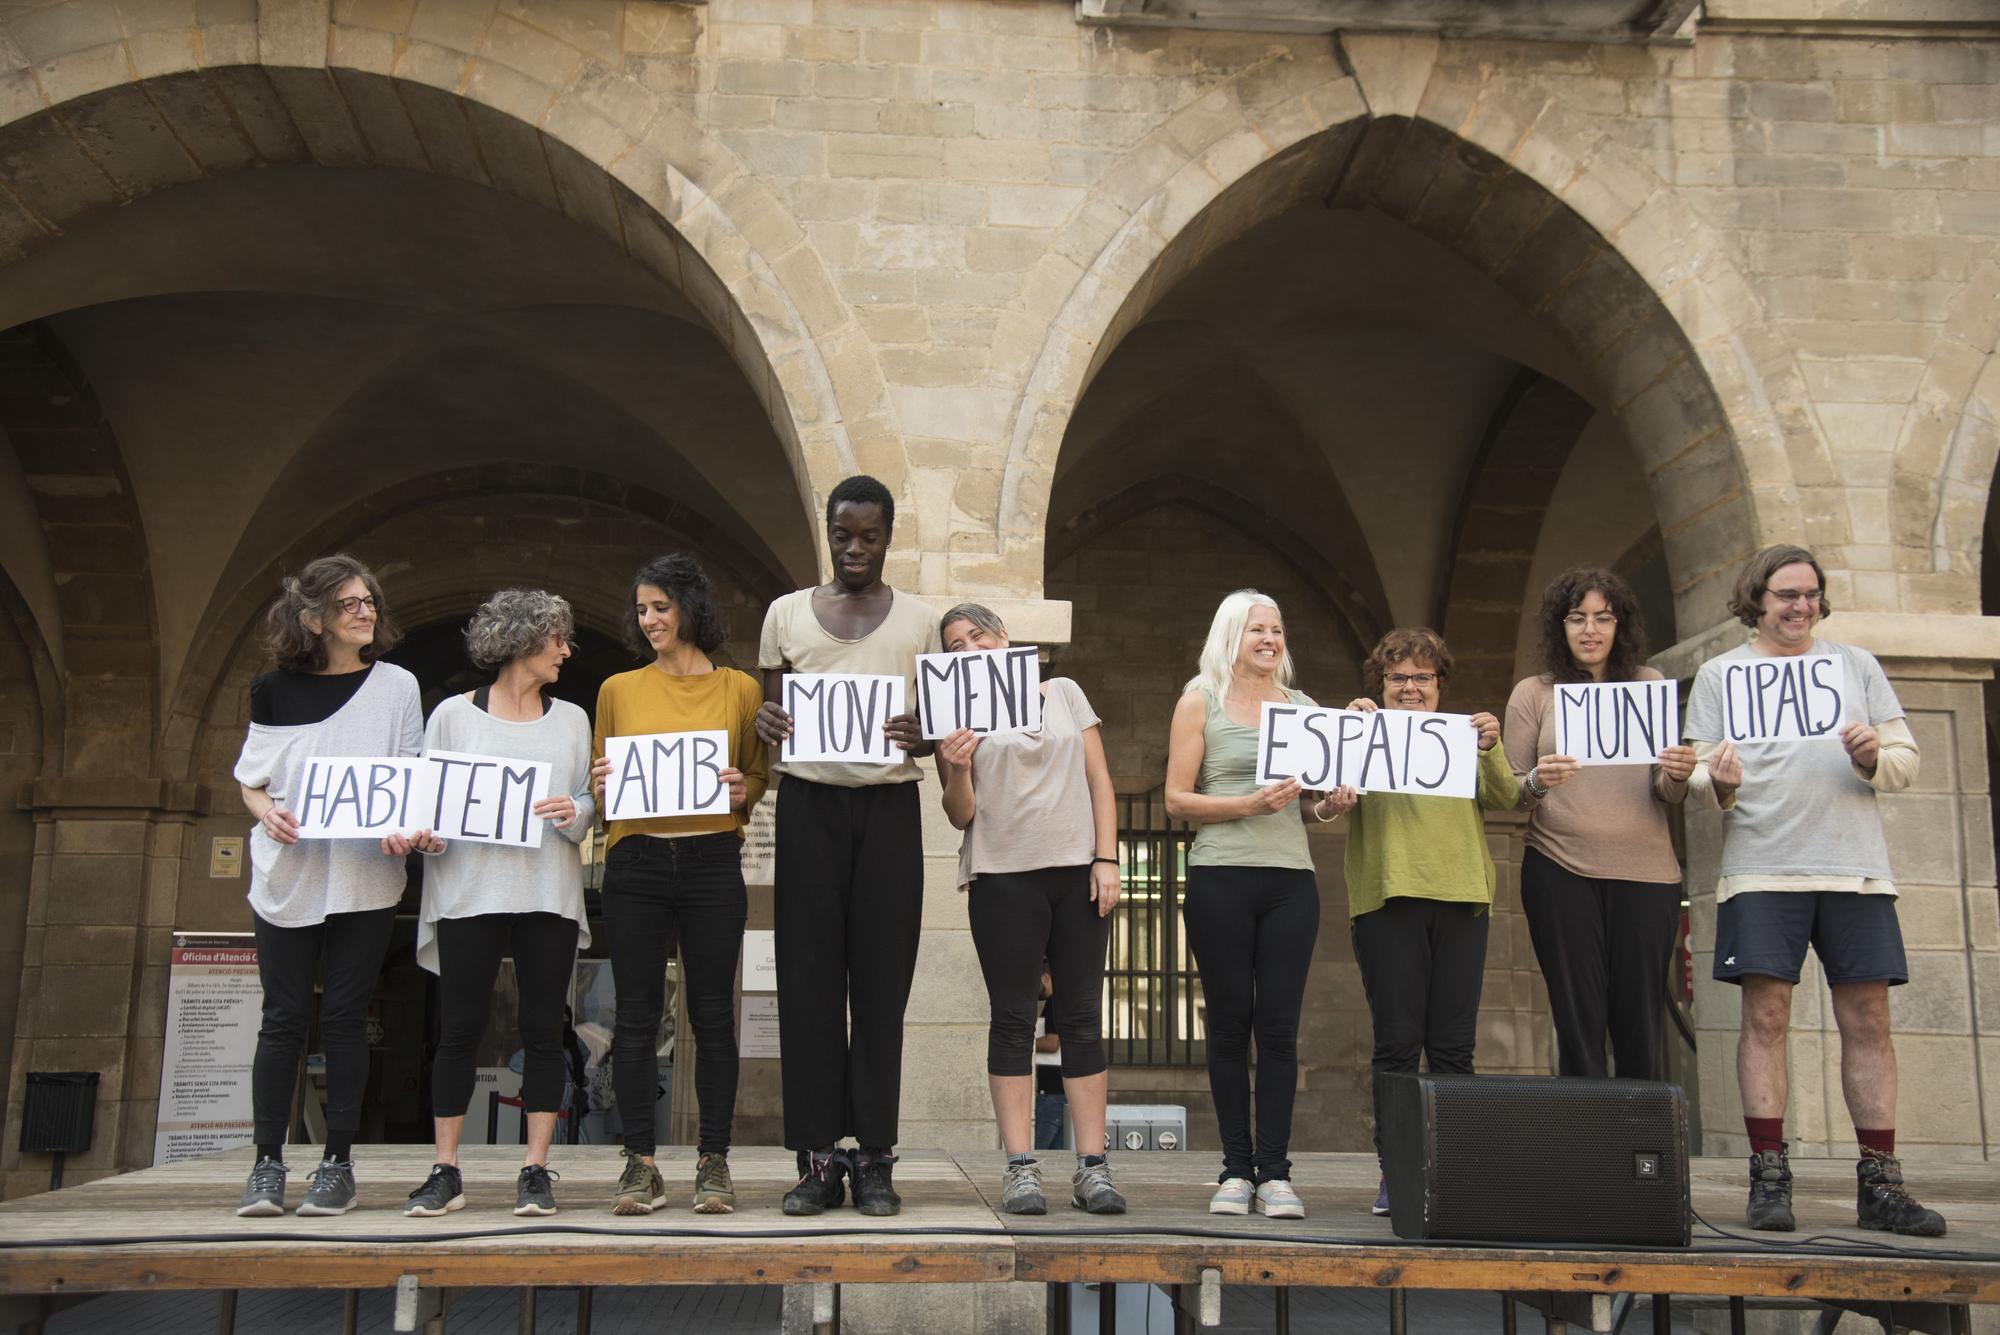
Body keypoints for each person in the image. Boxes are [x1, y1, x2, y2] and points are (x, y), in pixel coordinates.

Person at [1685, 544, 1944, 1237]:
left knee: (1869, 1022)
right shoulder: (1720, 674)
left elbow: (1905, 759)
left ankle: (1880, 1183)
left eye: (1810, 594)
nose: (1800, 606)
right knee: (1765, 1019)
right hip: (1764, 869)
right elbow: (1700, 774)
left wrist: (1872, 757)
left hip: (1855, 869)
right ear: (1757, 599)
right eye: (1785, 594)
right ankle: (1769, 1175)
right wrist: (1724, 783)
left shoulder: (1854, 665)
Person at [754, 476, 940, 1217]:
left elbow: (942, 723)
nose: (854, 548)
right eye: (842, 534)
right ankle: (818, 1157)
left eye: (868, 535)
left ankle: (877, 1158)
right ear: (827, 533)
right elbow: (772, 710)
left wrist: (923, 736)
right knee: (808, 981)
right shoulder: (785, 614)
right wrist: (769, 724)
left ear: (889, 535)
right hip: (808, 805)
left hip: (890, 807)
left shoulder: (922, 621)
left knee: (882, 984)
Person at [232, 555, 422, 1217]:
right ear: (313, 618)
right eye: (348, 603)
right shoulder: (272, 690)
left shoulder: (397, 685)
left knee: (345, 1018)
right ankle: (266, 1163)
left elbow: (410, 774)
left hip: (366, 877)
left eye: (369, 598)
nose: (365, 609)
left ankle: (337, 1162)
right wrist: (267, 813)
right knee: (282, 1018)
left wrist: (407, 825)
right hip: (289, 873)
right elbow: (252, 780)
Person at [400, 589, 595, 1219]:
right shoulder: (451, 717)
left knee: (544, 1031)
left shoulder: (572, 719)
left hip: (546, 891)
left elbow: (585, 807)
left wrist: (578, 811)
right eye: (556, 638)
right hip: (469, 889)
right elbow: (426, 807)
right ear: (521, 642)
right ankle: (445, 1169)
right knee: (458, 1030)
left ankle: (535, 1170)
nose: (566, 650)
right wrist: (425, 833)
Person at [934, 604, 1125, 1215]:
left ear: (1004, 639)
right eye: (955, 644)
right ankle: (1021, 1167)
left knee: (1081, 1016)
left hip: (1077, 872)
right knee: (1013, 1018)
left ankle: (1092, 1167)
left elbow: (1100, 781)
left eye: (977, 636)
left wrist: (1108, 859)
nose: (968, 649)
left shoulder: (1064, 691)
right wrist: (957, 767)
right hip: (1002, 876)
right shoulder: (952, 714)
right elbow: (960, 814)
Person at [589, 554, 766, 1214]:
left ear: (691, 607)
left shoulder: (741, 689)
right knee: (635, 1016)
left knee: (712, 1014)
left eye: (660, 606)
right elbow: (599, 782)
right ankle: (639, 1164)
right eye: (641, 609)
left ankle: (713, 1160)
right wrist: (602, 789)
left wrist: (746, 788)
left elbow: (755, 772)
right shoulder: (616, 688)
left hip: (713, 859)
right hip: (636, 860)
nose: (649, 619)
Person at [1164, 590, 1345, 1220]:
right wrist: (1247, 804)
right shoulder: (1200, 701)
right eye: (1256, 629)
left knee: (1279, 1027)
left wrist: (1330, 805)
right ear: (1231, 636)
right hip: (1220, 876)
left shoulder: (1304, 709)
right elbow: (1176, 800)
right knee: (1229, 1023)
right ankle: (1234, 1171)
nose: (1269, 639)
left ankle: (1275, 1173)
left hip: (1290, 878)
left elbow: (1310, 803)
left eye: (1276, 628)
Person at [1343, 627, 1516, 1217]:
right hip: (1388, 898)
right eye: (1398, 678)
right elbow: (1325, 783)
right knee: (1396, 1044)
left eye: (1422, 677)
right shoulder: (1365, 732)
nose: (1410, 688)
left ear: (1441, 684)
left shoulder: (1466, 737)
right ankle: (1396, 1172)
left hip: (1462, 897)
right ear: (1381, 684)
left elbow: (1505, 797)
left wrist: (1492, 744)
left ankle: (1452, 1169)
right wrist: (1349, 729)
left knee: (1453, 1048)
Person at [1503, 569, 1695, 1082]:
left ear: (1620, 625)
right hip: (1559, 868)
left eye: (1603, 618)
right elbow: (1510, 792)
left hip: (1648, 873)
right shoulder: (1533, 693)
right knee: (1578, 1018)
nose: (1590, 629)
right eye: (1577, 618)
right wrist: (1540, 782)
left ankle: (1642, 1149)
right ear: (1559, 627)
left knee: (1639, 1019)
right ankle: (1586, 1146)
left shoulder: (1649, 685)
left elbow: (1664, 788)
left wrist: (1678, 774)